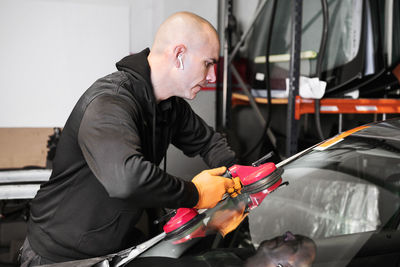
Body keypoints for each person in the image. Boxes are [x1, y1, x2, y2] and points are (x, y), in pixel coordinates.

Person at [20, 11, 238, 266]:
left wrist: (235, 177)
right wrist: (196, 193)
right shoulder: (109, 102)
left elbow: (209, 142)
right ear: (179, 55)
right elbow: (127, 179)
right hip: (59, 257)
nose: (212, 76)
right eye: (208, 63)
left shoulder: (170, 106)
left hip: (114, 248)